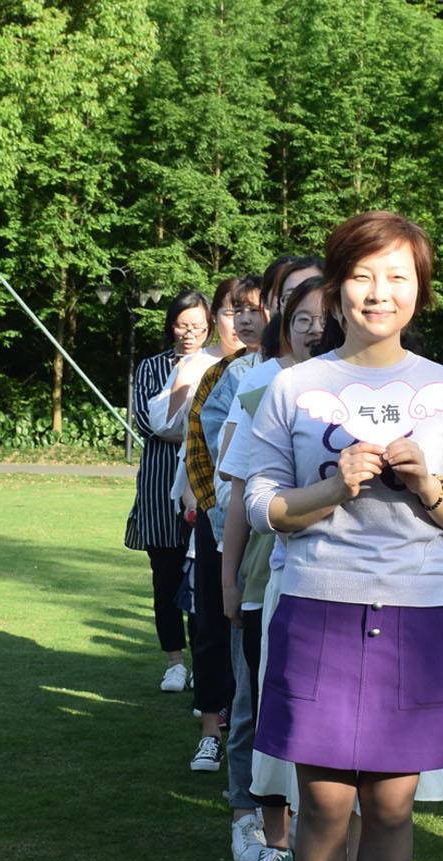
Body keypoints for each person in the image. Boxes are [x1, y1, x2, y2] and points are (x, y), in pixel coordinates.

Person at [244, 211, 443, 861]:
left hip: (414, 613)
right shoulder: (294, 387)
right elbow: (262, 503)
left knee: (390, 806)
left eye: (397, 278)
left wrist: (426, 487)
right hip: (317, 605)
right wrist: (332, 487)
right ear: (337, 284)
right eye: (363, 275)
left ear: (418, 291)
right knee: (322, 806)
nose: (378, 292)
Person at [212, 259, 322, 861]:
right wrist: (228, 579)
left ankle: (319, 847)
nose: (312, 329)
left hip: (337, 582)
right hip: (264, 576)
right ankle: (268, 835)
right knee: (261, 705)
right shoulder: (263, 390)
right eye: (301, 317)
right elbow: (237, 496)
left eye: (322, 318)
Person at [176, 275, 266, 768]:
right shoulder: (222, 375)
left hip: (272, 527)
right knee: (212, 625)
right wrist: (217, 514)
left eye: (255, 308)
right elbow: (201, 452)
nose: (246, 319)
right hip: (221, 523)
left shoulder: (300, 374)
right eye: (236, 310)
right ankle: (212, 729)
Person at [127, 293, 212, 693]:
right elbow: (150, 423)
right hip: (160, 485)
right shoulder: (151, 367)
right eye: (182, 324)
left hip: (203, 484)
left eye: (197, 325)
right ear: (170, 325)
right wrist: (181, 380)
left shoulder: (218, 365)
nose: (189, 333)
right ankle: (174, 661)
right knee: (164, 577)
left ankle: (203, 660)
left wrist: (187, 429)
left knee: (201, 580)